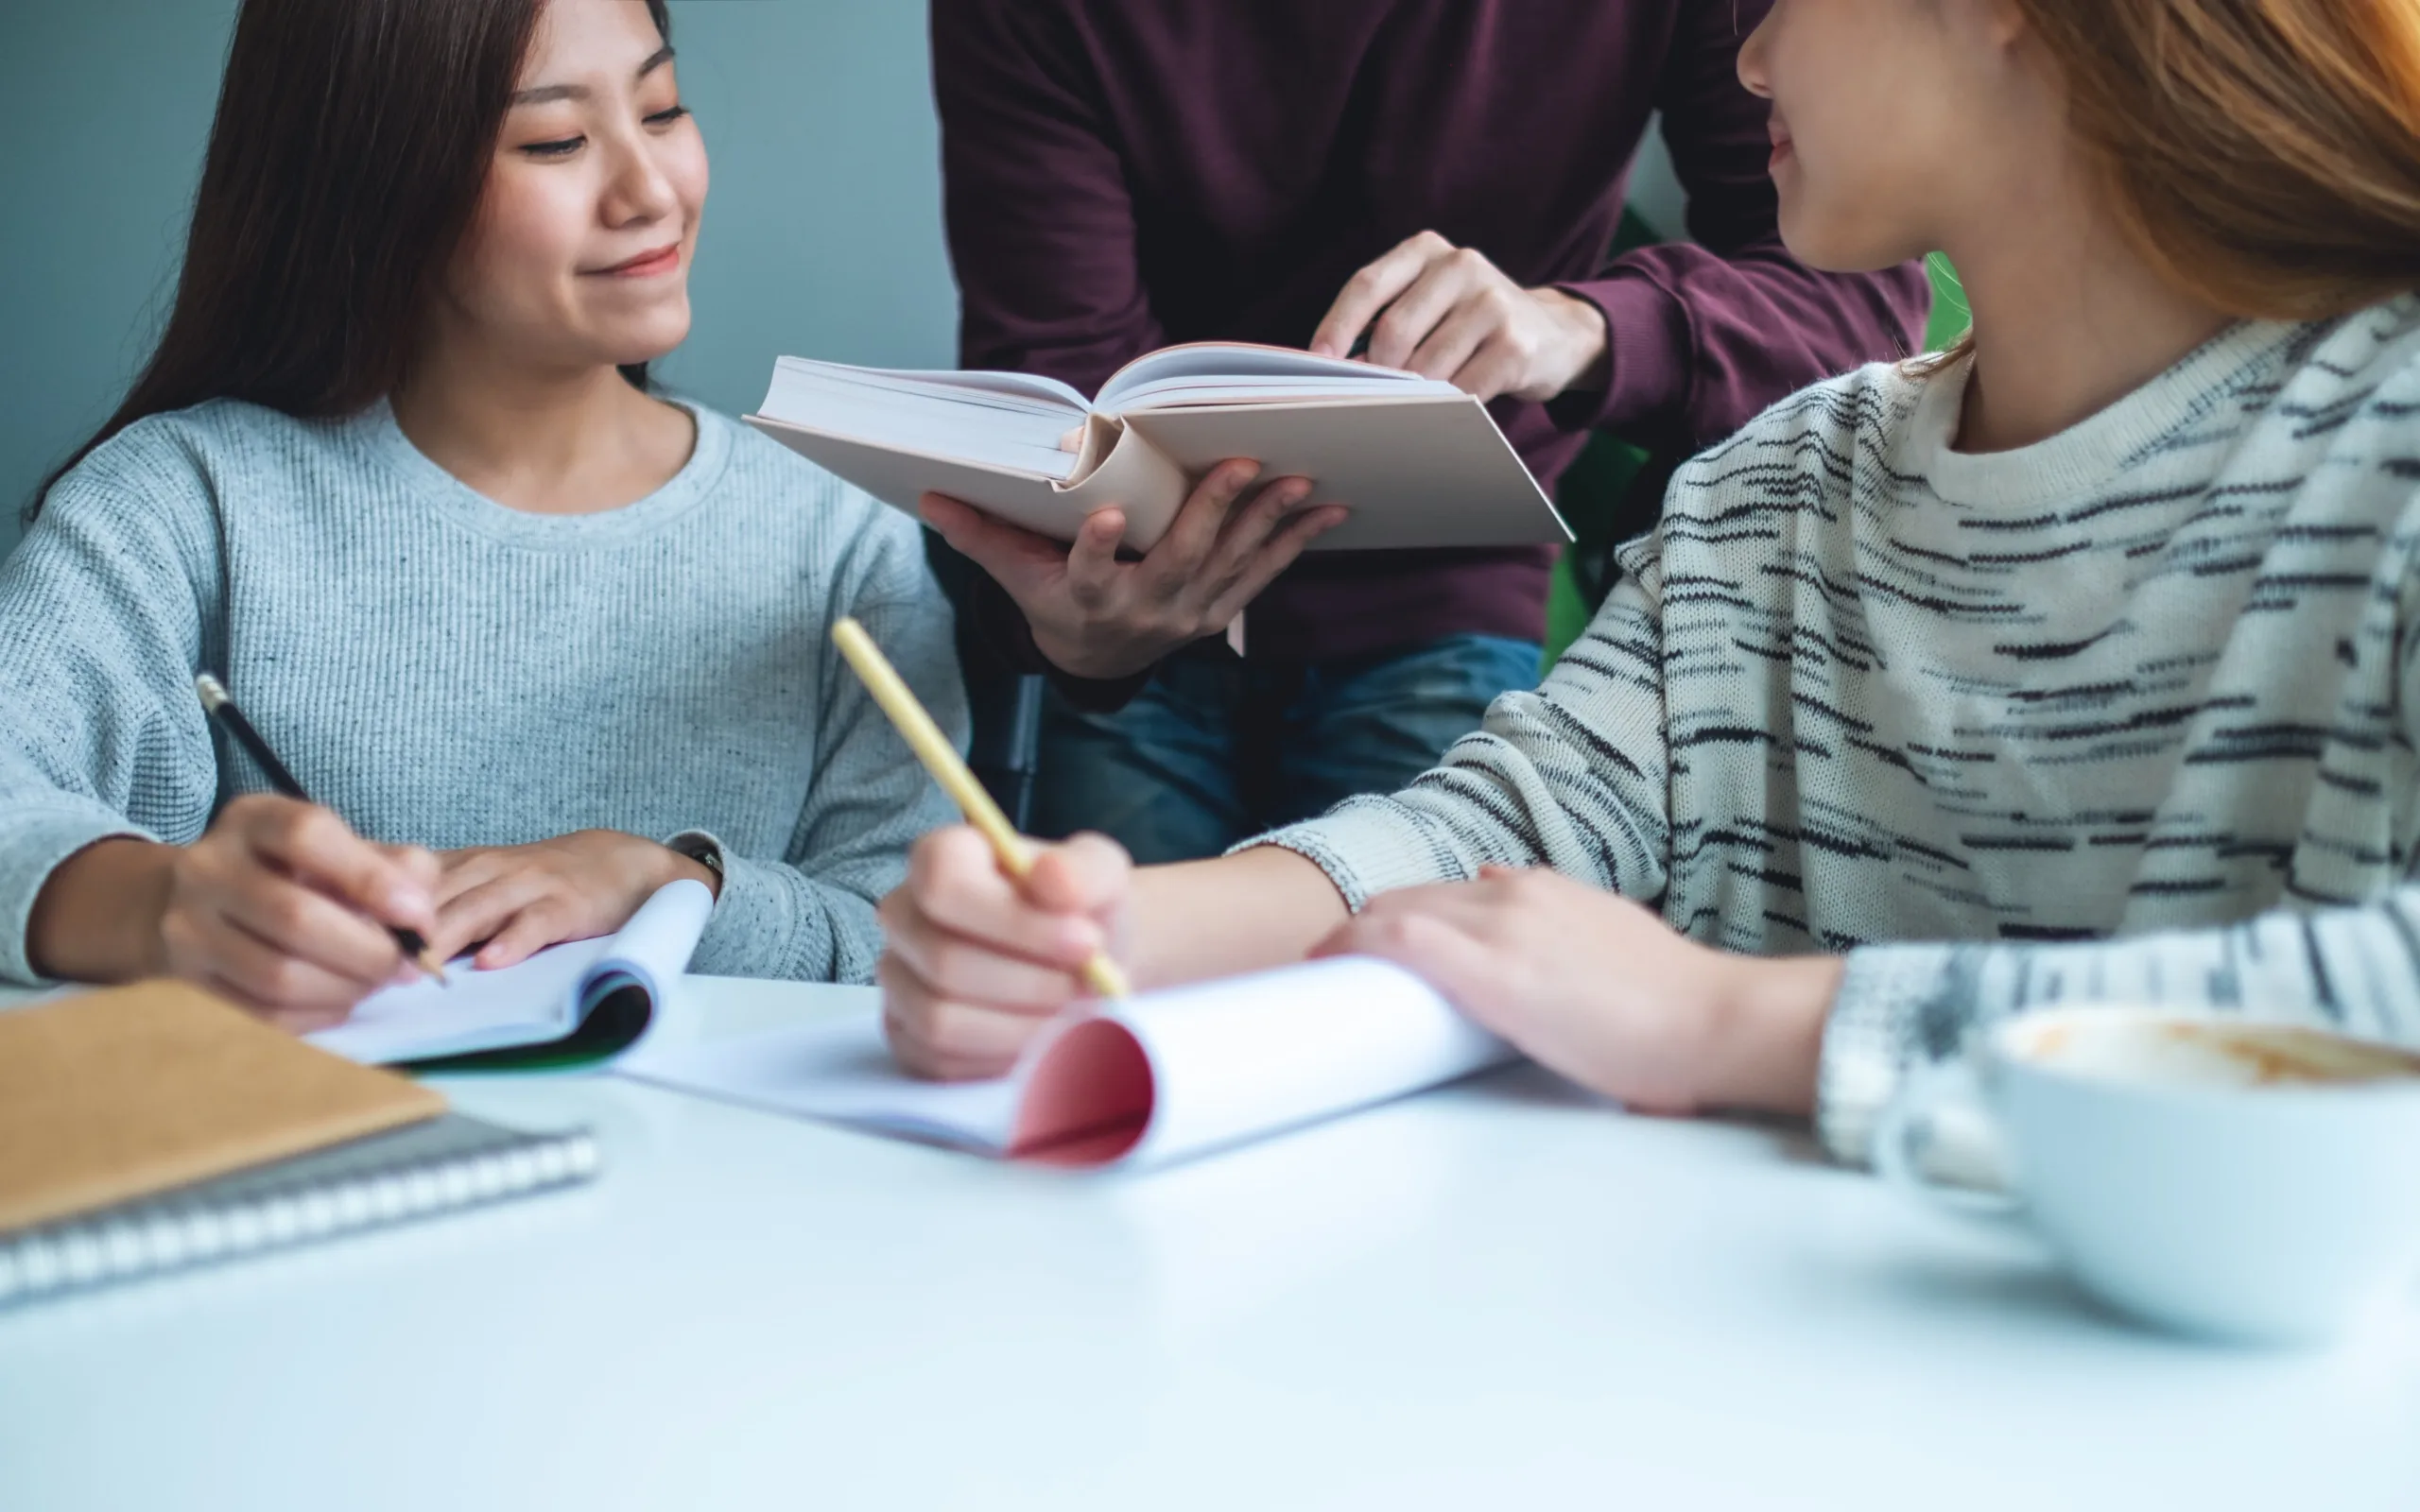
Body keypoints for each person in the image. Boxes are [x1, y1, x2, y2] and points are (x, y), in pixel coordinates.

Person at [876, 0, 2420, 1160]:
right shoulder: (1775, 495)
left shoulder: (2388, 448)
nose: (1744, 63)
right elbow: (1491, 833)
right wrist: (1098, 935)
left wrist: (1725, 1025)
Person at [1, 0, 964, 1029]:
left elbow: (917, 940)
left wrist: (671, 889)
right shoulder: (182, 505)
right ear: (377, 181)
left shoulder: (839, 535)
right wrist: (163, 906)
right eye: (556, 141)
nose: (650, 192)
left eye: (663, 109)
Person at [924, 0, 1932, 863]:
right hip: (1139, 627)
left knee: (1406, 1025)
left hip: (1446, 590)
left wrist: (1577, 327)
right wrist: (1071, 633)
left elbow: (1859, 299)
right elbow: (1058, 377)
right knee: (1116, 1044)